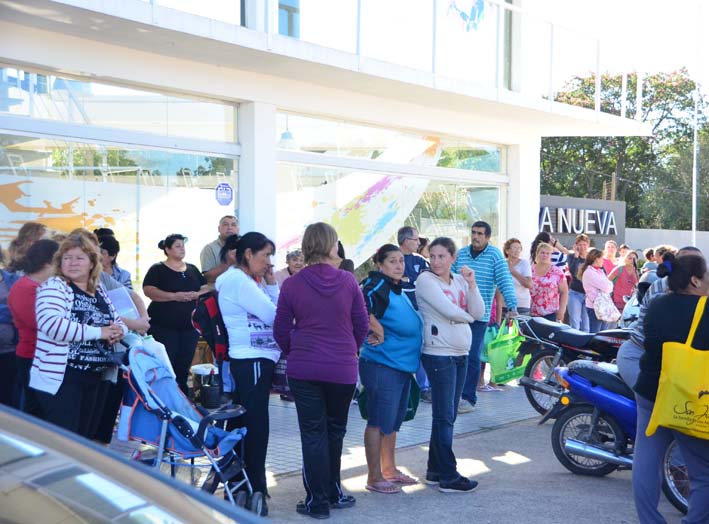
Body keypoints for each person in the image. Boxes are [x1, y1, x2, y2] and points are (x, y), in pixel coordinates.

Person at [273, 222, 368, 519]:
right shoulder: (348, 281)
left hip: (304, 367)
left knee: (313, 433)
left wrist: (296, 351)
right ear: (331, 246)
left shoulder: (292, 284)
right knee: (335, 431)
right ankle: (334, 490)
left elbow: (280, 330)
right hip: (342, 367)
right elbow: (362, 325)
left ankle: (317, 501)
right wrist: (349, 350)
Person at [633, 252, 709, 523]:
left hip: (651, 392)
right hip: (690, 397)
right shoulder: (705, 309)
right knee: (704, 473)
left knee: (646, 462)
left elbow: (647, 343)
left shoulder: (656, 304)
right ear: (695, 281)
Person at [30, 233, 127, 437]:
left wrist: (119, 331)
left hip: (95, 377)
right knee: (65, 442)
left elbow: (117, 320)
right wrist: (100, 332)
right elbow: (53, 325)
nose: (72, 263)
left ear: (92, 263)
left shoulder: (97, 289)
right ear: (60, 262)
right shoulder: (55, 286)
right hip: (63, 379)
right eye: (67, 258)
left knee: (84, 440)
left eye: (79, 258)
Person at [216, 232, 279, 516]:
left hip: (252, 359)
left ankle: (243, 487)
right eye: (265, 255)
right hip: (251, 358)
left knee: (246, 426)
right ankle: (255, 488)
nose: (268, 262)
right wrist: (273, 289)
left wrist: (271, 284)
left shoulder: (245, 281)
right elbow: (274, 316)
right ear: (248, 254)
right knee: (255, 428)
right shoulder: (239, 282)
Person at [416, 237, 484, 492]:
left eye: (442, 256)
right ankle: (448, 475)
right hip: (438, 354)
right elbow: (449, 311)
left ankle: (435, 470)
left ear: (453, 258)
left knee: (448, 414)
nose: (435, 261)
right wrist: (466, 320)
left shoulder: (458, 280)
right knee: (444, 415)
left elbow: (479, 311)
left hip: (460, 353)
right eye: (432, 256)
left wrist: (472, 284)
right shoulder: (425, 280)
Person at [359, 244, 423, 495]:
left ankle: (389, 469)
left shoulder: (395, 288)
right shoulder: (376, 283)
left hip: (401, 366)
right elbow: (359, 304)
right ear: (380, 265)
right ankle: (374, 477)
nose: (399, 265)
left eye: (400, 261)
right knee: (377, 421)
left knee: (392, 422)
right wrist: (378, 329)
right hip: (382, 364)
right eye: (392, 261)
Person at [451, 221, 517, 413]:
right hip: (458, 313)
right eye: (473, 233)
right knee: (457, 355)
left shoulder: (495, 255)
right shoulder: (461, 254)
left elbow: (504, 279)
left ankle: (468, 398)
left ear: (488, 237)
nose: (476, 237)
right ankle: (454, 395)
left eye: (480, 233)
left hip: (480, 316)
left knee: (472, 357)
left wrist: (512, 305)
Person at [143, 234, 209, 395]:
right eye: (178, 245)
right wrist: (174, 296)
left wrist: (196, 294)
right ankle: (164, 395)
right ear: (167, 249)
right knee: (167, 361)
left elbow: (206, 286)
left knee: (184, 362)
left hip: (189, 327)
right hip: (164, 327)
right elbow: (149, 290)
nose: (182, 249)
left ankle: (182, 396)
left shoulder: (192, 268)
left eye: (183, 245)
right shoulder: (157, 269)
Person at [7, 239, 59, 413]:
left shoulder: (37, 286)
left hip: (42, 356)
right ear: (48, 263)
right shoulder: (25, 288)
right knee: (37, 410)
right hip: (32, 356)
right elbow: (42, 324)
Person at [398, 226, 432, 402]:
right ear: (406, 240)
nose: (419, 243)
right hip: (397, 315)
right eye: (415, 239)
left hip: (419, 312)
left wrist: (409, 281)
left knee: (420, 347)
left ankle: (424, 387)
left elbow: (427, 281)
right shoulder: (393, 258)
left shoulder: (420, 260)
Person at [0, 258, 20, 406]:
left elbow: (19, 309)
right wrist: (9, 311)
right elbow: (14, 310)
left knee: (8, 401)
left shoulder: (12, 279)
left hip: (11, 353)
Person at [530, 242, 568, 322]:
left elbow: (564, 292)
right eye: (542, 253)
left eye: (548, 253)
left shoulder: (557, 272)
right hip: (531, 313)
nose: (545, 255)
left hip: (551, 313)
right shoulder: (529, 270)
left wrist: (562, 310)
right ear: (537, 254)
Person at [579, 248, 613, 332]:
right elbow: (607, 287)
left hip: (603, 305)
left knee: (603, 333)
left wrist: (608, 284)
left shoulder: (600, 271)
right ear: (596, 259)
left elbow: (610, 287)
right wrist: (608, 284)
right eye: (602, 258)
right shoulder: (589, 272)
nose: (603, 260)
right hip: (594, 307)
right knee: (595, 333)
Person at [200, 215, 240, 285]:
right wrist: (228, 263)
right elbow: (208, 277)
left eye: (233, 225)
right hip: (219, 291)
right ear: (219, 228)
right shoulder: (209, 249)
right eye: (225, 224)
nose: (229, 228)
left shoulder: (245, 246)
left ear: (238, 229)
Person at [565, 234, 591, 332]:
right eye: (580, 245)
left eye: (584, 244)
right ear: (576, 245)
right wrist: (576, 256)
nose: (582, 247)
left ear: (588, 245)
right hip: (575, 292)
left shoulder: (591, 258)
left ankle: (585, 345)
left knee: (586, 324)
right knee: (575, 322)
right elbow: (573, 271)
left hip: (588, 294)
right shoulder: (571, 256)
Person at [503, 238, 532, 315]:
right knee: (504, 327)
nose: (517, 250)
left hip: (521, 304)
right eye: (514, 248)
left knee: (518, 327)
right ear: (507, 250)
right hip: (503, 304)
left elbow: (529, 284)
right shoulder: (501, 264)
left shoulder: (524, 263)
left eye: (519, 248)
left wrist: (512, 271)